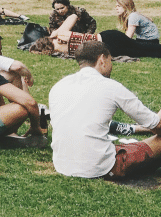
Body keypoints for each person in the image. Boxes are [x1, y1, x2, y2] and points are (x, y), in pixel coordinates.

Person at [50, 41, 161, 179]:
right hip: (98, 167)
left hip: (62, 164)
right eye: (111, 60)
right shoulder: (111, 87)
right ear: (102, 59)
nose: (112, 65)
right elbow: (157, 125)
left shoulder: (59, 86)